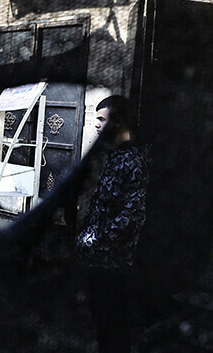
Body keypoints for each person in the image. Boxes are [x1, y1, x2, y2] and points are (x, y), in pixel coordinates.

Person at [75, 95, 148, 353]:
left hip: (114, 265)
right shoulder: (114, 157)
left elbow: (132, 215)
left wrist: (96, 238)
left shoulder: (132, 161)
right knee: (103, 326)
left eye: (101, 120)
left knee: (113, 328)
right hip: (100, 263)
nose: (96, 125)